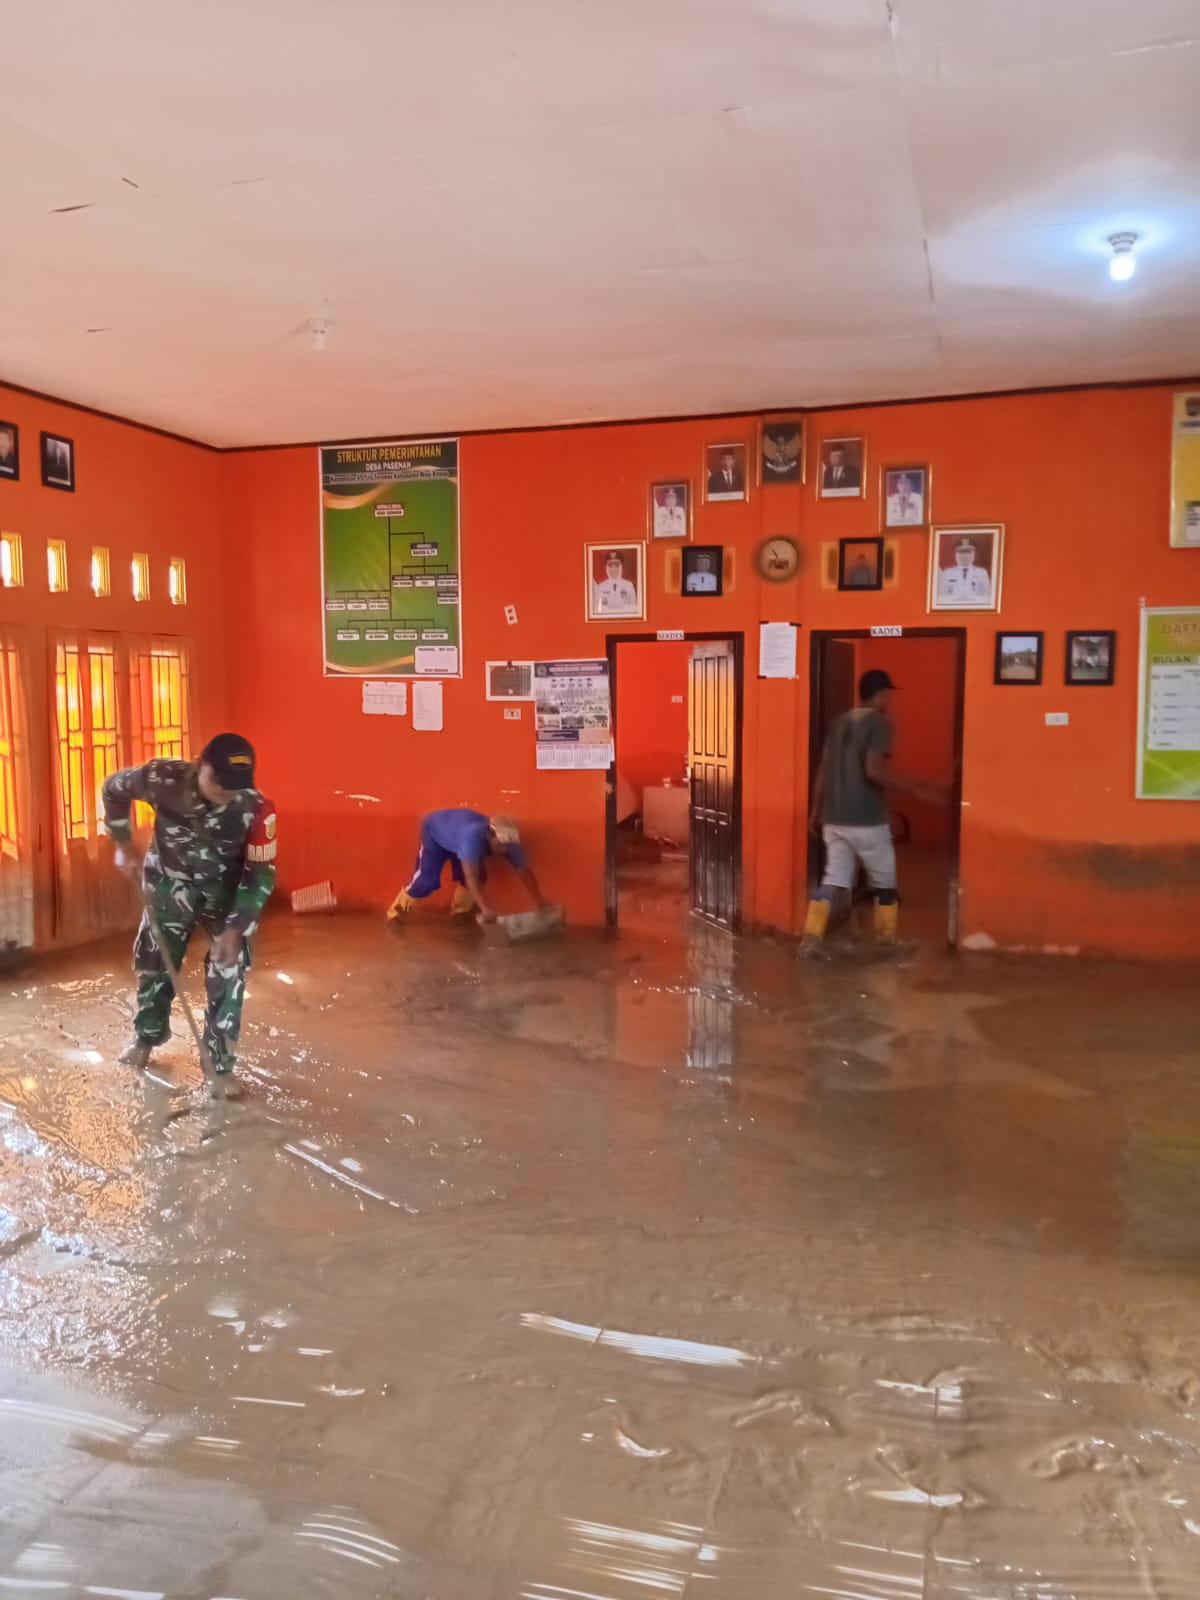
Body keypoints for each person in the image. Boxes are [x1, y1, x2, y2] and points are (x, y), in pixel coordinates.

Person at [103, 733, 277, 1085]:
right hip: (168, 887)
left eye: (235, 785)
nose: (227, 791)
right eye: (220, 781)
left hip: (224, 898)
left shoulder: (256, 808)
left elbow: (261, 874)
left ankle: (219, 1068)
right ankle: (146, 1038)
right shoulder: (162, 780)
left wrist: (236, 928)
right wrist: (122, 843)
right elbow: (112, 789)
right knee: (155, 965)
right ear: (202, 764)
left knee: (228, 973)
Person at [803, 670, 940, 949]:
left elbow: (823, 769)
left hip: (833, 818)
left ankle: (810, 941)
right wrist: (917, 790)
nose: (890, 700)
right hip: (866, 820)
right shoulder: (880, 723)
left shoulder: (839, 722)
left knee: (833, 880)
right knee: (885, 884)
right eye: (888, 694)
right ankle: (885, 944)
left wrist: (815, 810)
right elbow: (873, 770)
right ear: (880, 694)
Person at [387, 811, 545, 924]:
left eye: (508, 845)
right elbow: (471, 877)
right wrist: (486, 909)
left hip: (458, 835)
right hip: (435, 832)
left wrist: (540, 902)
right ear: (490, 835)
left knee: (481, 875)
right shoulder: (472, 837)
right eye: (500, 844)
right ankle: (395, 914)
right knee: (426, 880)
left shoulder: (510, 843)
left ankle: (460, 913)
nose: (505, 850)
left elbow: (524, 871)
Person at [937, 537, 992, 605]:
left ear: (973, 554)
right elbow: (941, 598)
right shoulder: (947, 573)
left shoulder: (982, 573)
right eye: (961, 552)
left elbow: (987, 598)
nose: (965, 556)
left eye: (968, 552)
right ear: (956, 555)